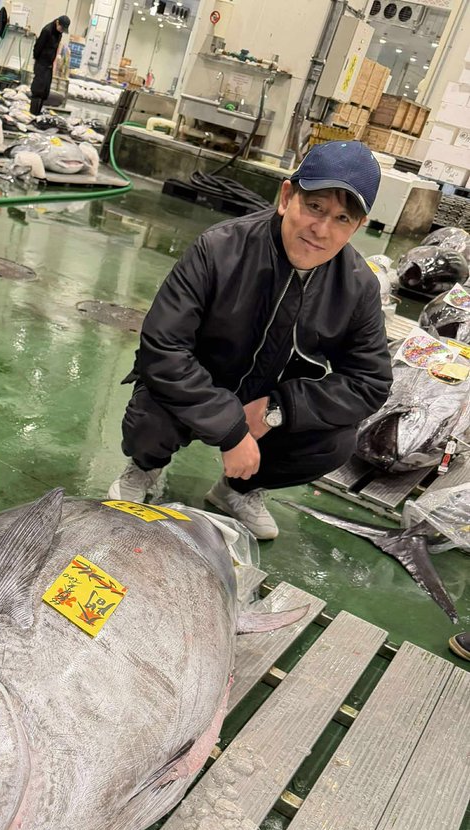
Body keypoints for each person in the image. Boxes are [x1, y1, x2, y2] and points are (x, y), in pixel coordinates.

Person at [107, 141, 393, 540]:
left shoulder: (358, 286)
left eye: (342, 218)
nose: (322, 230)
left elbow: (370, 381)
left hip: (266, 401)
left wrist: (281, 408)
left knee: (336, 440)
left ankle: (237, 490)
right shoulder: (218, 249)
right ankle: (145, 467)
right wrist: (230, 429)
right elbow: (163, 347)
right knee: (152, 413)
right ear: (287, 196)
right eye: (315, 207)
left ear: (357, 227)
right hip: (199, 384)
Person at [30, 14, 70, 116]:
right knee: (37, 90)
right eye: (61, 28)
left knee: (44, 92)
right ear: (57, 22)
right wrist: (39, 61)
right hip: (41, 64)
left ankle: (38, 114)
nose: (62, 31)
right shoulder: (47, 31)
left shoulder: (59, 33)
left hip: (49, 65)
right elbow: (38, 47)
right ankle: (33, 114)